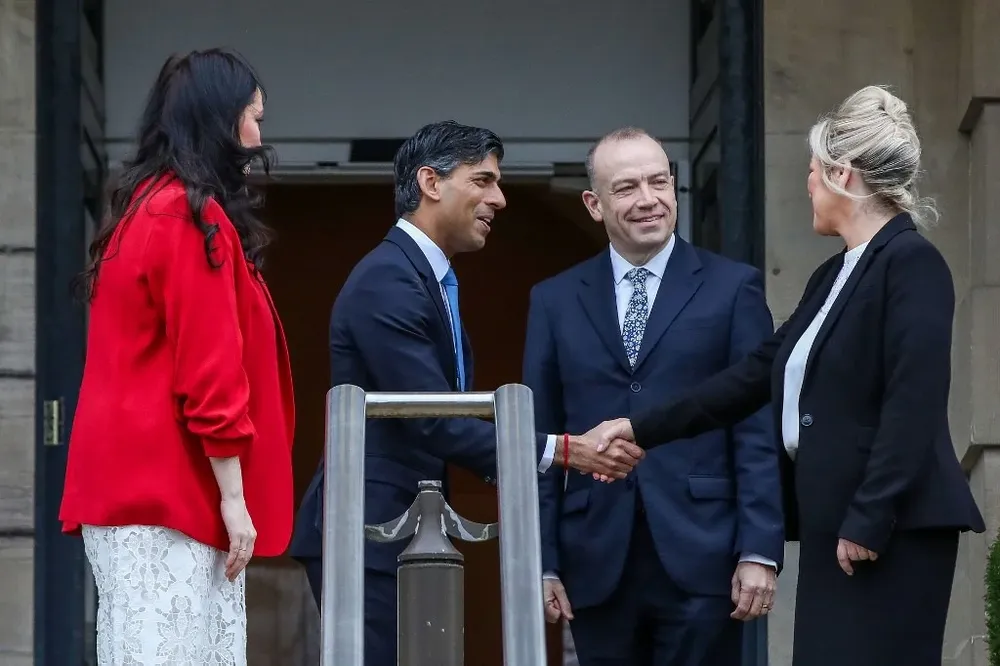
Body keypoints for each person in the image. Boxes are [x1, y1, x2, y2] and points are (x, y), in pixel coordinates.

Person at [583, 86, 986, 666]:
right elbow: (750, 377)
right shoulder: (834, 274)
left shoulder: (911, 262)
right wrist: (637, 428)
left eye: (814, 173)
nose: (808, 186)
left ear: (842, 174)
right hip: (836, 524)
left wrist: (870, 517)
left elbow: (913, 401)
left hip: (886, 530)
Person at [288, 120, 644, 666]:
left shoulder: (423, 277)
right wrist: (564, 450)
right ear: (431, 183)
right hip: (368, 530)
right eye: (483, 181)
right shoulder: (389, 279)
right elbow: (433, 418)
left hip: (399, 531)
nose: (499, 199)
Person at [59, 49, 295, 665]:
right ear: (222, 121)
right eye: (254, 117)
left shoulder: (142, 207)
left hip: (136, 489)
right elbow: (211, 373)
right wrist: (235, 502)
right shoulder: (188, 216)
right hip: (170, 491)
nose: (258, 136)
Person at [523, 127, 784, 666]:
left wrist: (759, 550)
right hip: (594, 558)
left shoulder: (734, 288)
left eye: (658, 181)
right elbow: (542, 438)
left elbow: (756, 426)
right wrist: (542, 560)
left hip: (705, 553)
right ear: (594, 204)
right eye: (627, 188)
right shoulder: (552, 301)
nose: (648, 200)